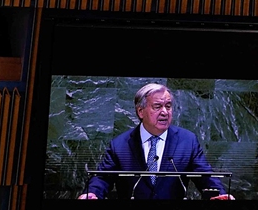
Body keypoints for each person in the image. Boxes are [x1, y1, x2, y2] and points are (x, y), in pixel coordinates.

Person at [79, 83, 231, 200]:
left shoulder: (187, 141)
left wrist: (220, 195)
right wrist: (92, 193)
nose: (165, 112)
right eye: (158, 106)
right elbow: (102, 178)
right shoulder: (120, 144)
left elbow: (205, 175)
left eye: (168, 106)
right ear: (140, 111)